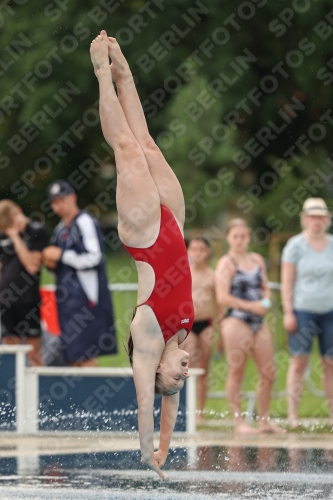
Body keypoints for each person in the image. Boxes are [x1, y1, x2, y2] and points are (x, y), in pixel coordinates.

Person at [89, 31, 194, 479]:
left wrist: (146, 453)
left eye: (174, 378)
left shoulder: (148, 346)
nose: (182, 376)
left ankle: (100, 73)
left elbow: (147, 405)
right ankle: (125, 74)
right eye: (181, 380)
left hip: (146, 237)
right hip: (176, 224)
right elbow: (171, 407)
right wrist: (167, 451)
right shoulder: (183, 338)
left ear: (156, 371)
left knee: (128, 149)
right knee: (148, 144)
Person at [215, 218, 284, 434]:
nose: (239, 240)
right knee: (237, 371)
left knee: (269, 372)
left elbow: (266, 287)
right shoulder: (226, 264)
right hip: (236, 320)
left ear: (248, 237)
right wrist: (250, 306)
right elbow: (222, 297)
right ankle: (239, 422)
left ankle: (264, 419)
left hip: (258, 321)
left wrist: (264, 302)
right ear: (228, 238)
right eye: (235, 236)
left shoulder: (256, 260)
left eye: (243, 236)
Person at [42, 180, 117, 367]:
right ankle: (79, 395)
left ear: (72, 197)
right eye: (54, 202)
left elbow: (95, 257)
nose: (59, 205)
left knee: (86, 353)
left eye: (62, 199)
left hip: (86, 298)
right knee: (72, 354)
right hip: (66, 301)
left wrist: (62, 255)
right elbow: (59, 263)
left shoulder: (85, 222)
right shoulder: (59, 229)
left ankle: (93, 393)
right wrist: (48, 260)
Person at [281, 197, 333, 428]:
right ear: (305, 219)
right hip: (303, 311)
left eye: (321, 216)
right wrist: (288, 311)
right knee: (299, 361)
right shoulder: (295, 245)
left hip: (329, 311)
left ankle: (332, 415)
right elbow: (287, 282)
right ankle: (293, 416)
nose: (317, 220)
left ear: (327, 219)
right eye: (313, 216)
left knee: (329, 363)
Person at [0, 200, 49, 366]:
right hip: (6, 302)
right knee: (10, 357)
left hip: (29, 302)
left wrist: (15, 237)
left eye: (17, 222)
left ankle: (41, 391)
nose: (15, 227)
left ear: (19, 211)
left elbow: (32, 266)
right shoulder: (3, 233)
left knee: (34, 355)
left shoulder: (37, 231)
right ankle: (12, 392)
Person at [184, 237, 217, 423]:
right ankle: (186, 408)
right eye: (194, 249)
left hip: (206, 323)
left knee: (204, 367)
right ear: (188, 251)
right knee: (188, 363)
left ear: (207, 253)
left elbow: (218, 304)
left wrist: (219, 329)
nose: (197, 253)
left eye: (201, 249)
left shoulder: (212, 275)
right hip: (189, 324)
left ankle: (200, 412)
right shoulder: (184, 273)